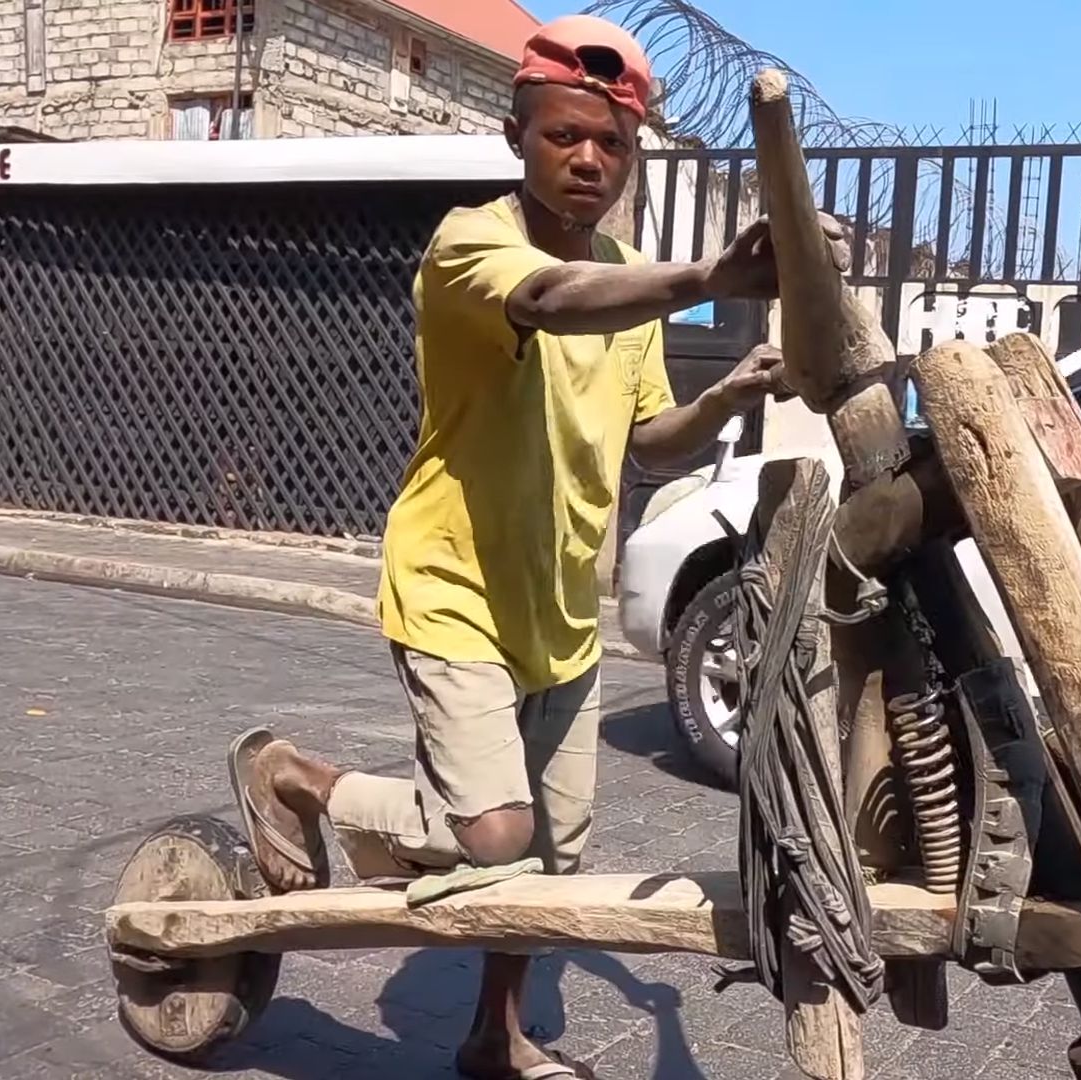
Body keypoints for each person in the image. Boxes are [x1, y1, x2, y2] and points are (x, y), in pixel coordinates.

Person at [224, 14, 842, 1080]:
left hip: (558, 606)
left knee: (555, 854)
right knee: (495, 839)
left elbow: (647, 441)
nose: (588, 159)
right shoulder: (473, 244)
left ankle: (492, 1037)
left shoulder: (630, 274)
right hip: (452, 584)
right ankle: (299, 778)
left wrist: (729, 393)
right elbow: (554, 304)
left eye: (610, 144)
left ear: (634, 154)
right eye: (564, 136)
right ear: (518, 136)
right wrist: (710, 278)